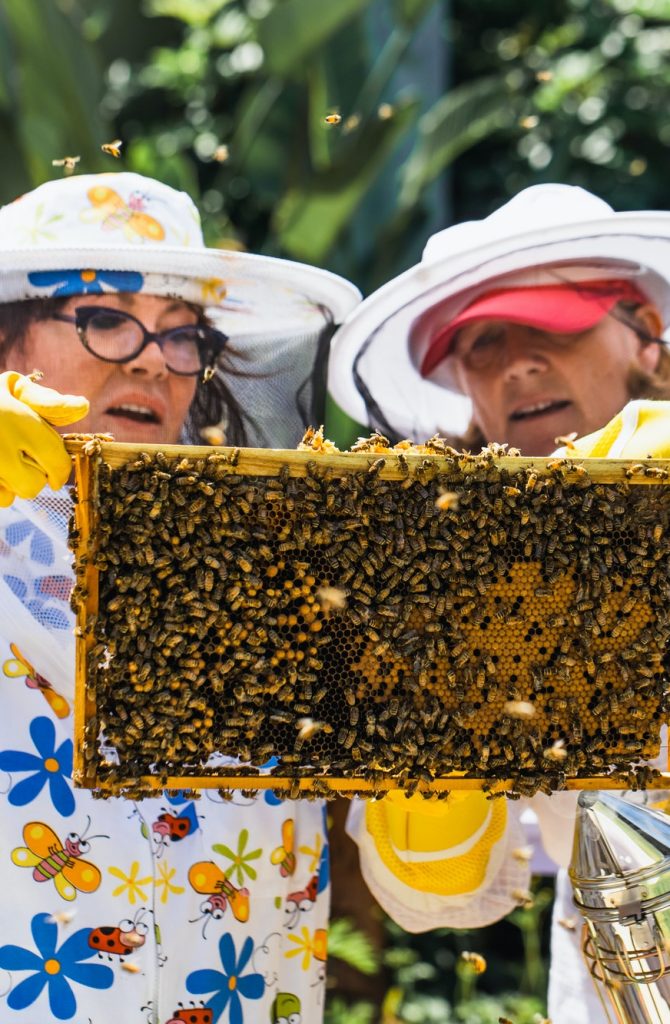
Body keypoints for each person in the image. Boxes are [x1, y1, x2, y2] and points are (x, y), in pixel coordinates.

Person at [0, 170, 363, 1024]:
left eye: (181, 334)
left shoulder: (275, 577)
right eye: (105, 320)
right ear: (6, 344)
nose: (158, 362)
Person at [328, 182, 670, 1023]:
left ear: (650, 340)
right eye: (481, 344)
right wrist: (423, 743)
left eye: (553, 323)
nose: (517, 362)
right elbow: (433, 897)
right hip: (617, 985)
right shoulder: (469, 572)